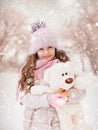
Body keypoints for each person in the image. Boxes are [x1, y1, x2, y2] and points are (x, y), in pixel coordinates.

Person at [17, 21, 85, 130]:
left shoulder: (64, 66)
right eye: (41, 49)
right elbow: (24, 97)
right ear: (35, 51)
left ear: (55, 47)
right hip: (36, 123)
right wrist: (48, 99)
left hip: (62, 123)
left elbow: (81, 91)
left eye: (50, 47)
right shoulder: (29, 70)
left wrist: (67, 96)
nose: (46, 52)